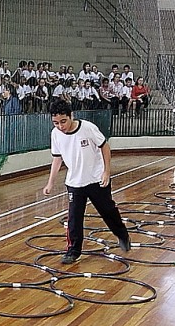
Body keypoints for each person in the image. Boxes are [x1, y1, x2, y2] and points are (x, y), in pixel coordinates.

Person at [43, 99, 131, 264]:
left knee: (108, 211)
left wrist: (106, 171)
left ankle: (122, 235)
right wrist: (50, 183)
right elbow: (57, 159)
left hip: (96, 179)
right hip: (74, 183)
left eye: (63, 121)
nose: (60, 126)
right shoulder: (55, 134)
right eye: (56, 123)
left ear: (71, 116)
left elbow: (105, 147)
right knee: (74, 218)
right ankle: (73, 251)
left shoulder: (88, 128)